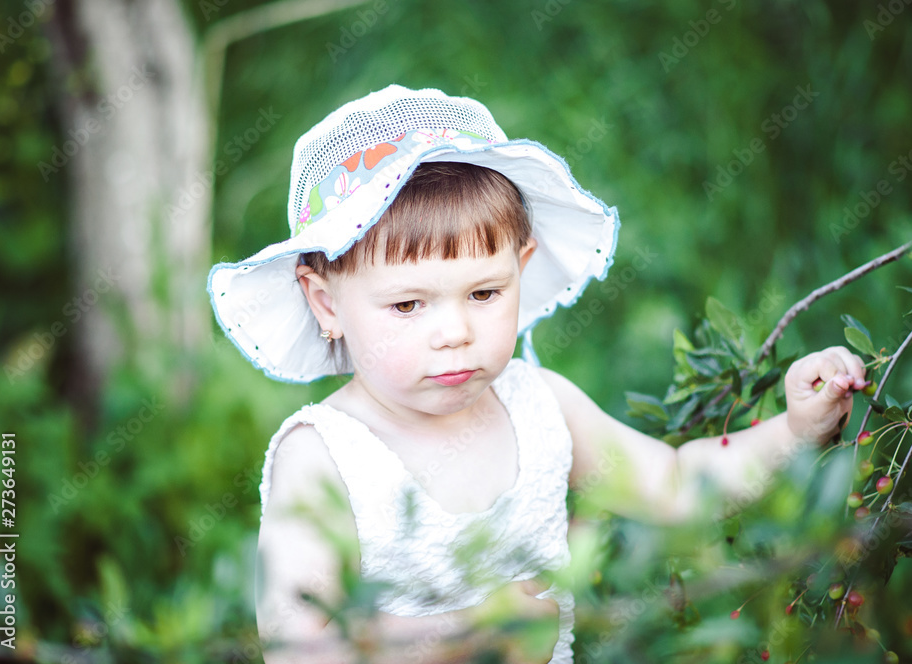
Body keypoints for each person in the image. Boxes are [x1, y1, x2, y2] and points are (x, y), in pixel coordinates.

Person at [207, 85, 866, 664]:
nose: (455, 331)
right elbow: (299, 643)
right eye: (408, 304)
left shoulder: (541, 406)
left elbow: (674, 488)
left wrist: (794, 430)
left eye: (485, 293)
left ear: (522, 266)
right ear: (327, 303)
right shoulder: (323, 456)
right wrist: (471, 635)